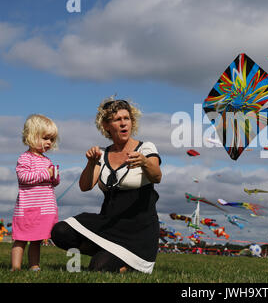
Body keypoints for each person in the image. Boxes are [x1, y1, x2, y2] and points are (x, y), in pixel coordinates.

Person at [51, 98, 162, 273]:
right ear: (106, 125)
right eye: (118, 119)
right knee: (60, 231)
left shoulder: (145, 148)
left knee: (98, 267)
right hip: (109, 225)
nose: (124, 123)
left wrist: (145, 163)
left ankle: (129, 263)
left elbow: (157, 176)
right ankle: (108, 252)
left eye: (127, 118)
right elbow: (85, 186)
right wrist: (91, 163)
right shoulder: (102, 153)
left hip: (139, 230)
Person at [11, 114, 60, 271]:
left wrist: (55, 177)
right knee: (20, 239)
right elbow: (23, 177)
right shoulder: (25, 158)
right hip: (27, 208)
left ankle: (34, 265)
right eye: (46, 138)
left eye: (51, 140)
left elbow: (52, 182)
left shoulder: (47, 161)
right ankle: (15, 267)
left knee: (37, 239)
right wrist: (46, 174)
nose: (49, 143)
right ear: (32, 136)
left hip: (44, 208)